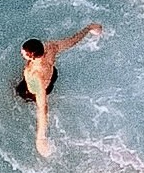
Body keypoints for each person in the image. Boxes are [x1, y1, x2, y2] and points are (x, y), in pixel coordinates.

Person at [16, 22, 105, 160]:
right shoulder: (50, 47)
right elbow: (72, 41)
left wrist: (41, 137)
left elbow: (42, 106)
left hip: (36, 88)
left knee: (20, 94)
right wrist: (88, 28)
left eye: (24, 54)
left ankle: (24, 99)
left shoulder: (36, 75)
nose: (22, 54)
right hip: (51, 76)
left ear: (32, 57)